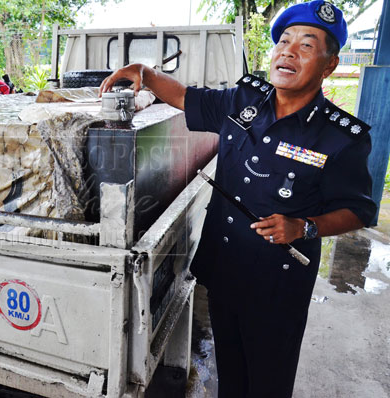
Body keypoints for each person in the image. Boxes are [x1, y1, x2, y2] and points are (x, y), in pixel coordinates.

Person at [99, 1, 377, 397]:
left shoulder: (341, 137)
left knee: (267, 383)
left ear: (329, 66)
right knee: (229, 375)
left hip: (278, 286)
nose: (288, 51)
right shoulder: (242, 101)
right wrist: (143, 72)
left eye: (306, 46)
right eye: (284, 41)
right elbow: (181, 96)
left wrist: (305, 226)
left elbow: (360, 210)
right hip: (226, 271)